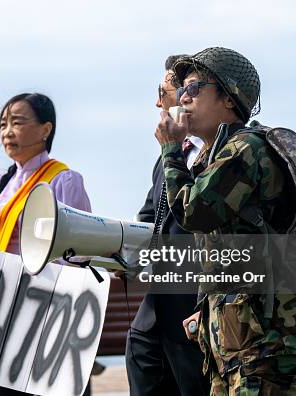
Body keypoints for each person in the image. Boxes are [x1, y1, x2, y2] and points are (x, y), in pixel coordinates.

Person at [155, 47, 296, 394]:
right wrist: (206, 310)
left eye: (194, 88)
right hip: (234, 351)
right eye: (181, 91)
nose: (183, 98)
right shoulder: (217, 156)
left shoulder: (246, 150)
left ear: (228, 96)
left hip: (262, 351)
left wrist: (170, 151)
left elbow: (192, 212)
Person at [0, 92, 91, 396]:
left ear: (46, 129)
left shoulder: (63, 180)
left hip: (37, 308)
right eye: (3, 124)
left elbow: (76, 251)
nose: (7, 131)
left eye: (18, 122)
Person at [124, 55, 209, 396]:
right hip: (152, 319)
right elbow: (149, 217)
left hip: (194, 317)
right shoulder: (168, 155)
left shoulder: (225, 154)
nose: (158, 101)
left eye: (164, 91)